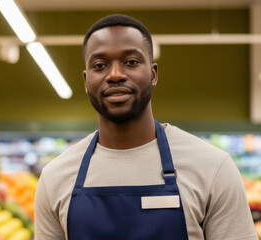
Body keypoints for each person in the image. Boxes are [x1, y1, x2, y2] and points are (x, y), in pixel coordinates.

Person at [34, 14, 257, 240]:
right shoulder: (55, 178)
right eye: (100, 65)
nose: (115, 75)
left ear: (153, 74)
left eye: (131, 62)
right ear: (85, 81)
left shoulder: (213, 168)